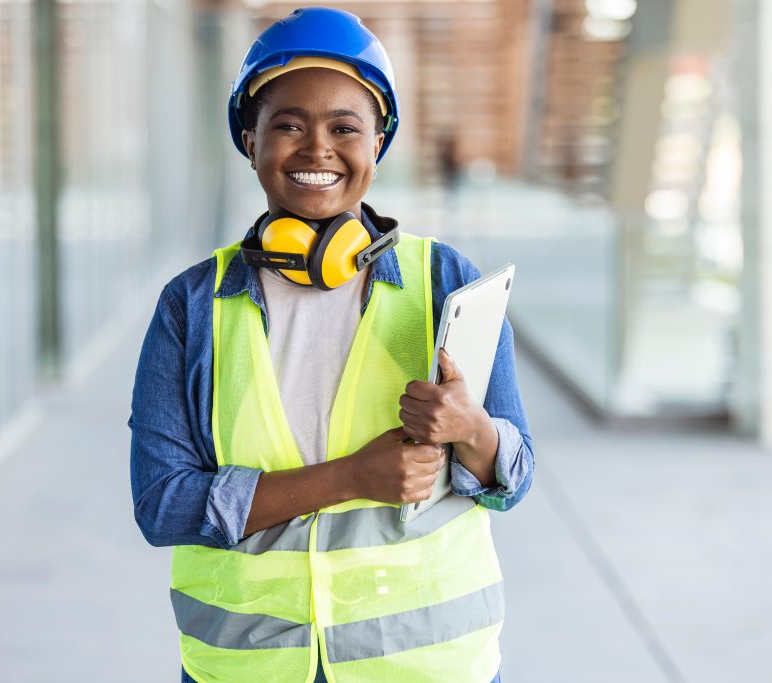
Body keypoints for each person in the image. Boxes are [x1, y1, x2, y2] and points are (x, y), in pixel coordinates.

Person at [129, 8, 534, 683]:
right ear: (250, 138)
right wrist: (350, 478)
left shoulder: (445, 282)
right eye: (288, 124)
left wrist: (475, 430)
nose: (317, 149)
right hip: (250, 665)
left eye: (345, 127)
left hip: (425, 663)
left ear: (378, 143)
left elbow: (513, 475)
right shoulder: (192, 304)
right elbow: (163, 502)